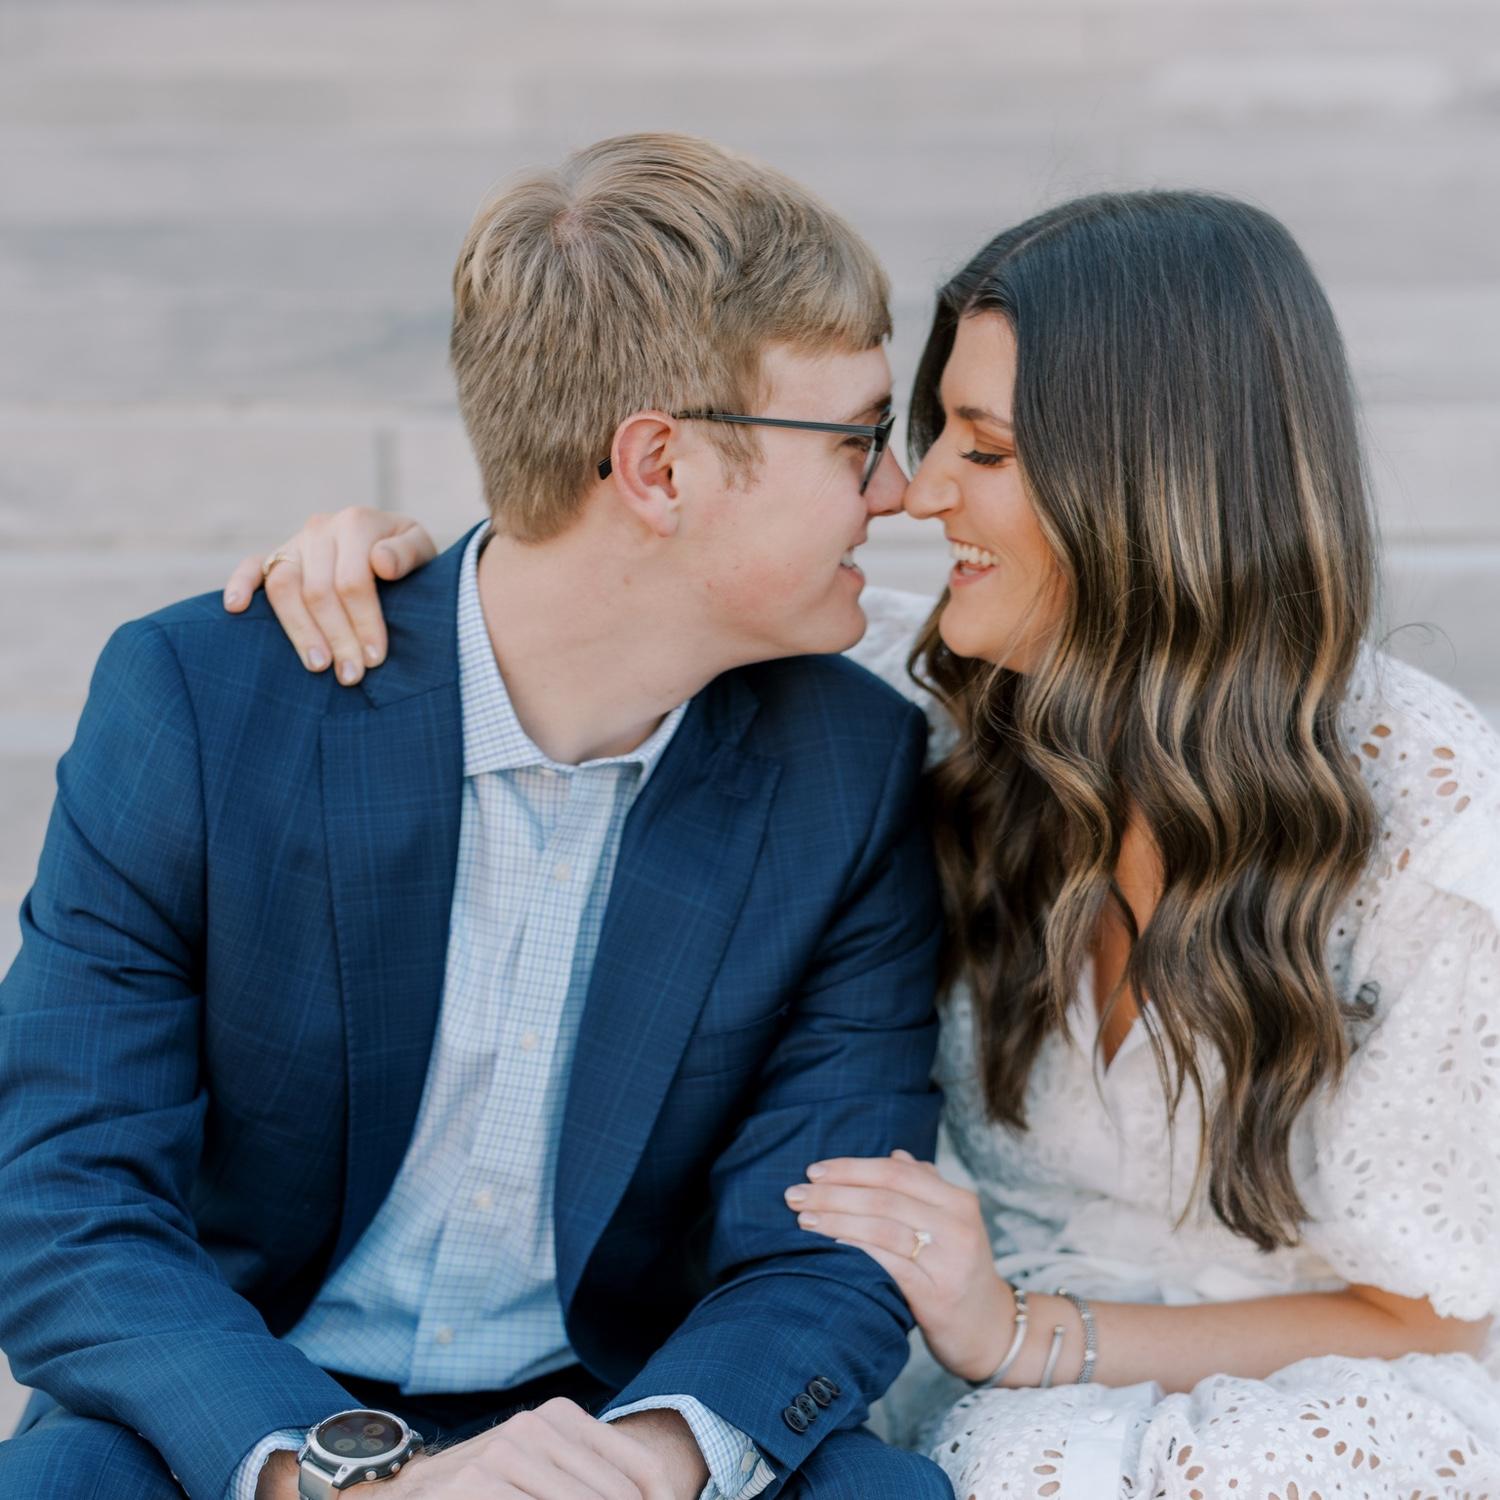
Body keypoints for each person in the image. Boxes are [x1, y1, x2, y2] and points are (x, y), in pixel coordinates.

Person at [249, 190, 1500, 1498]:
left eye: (986, 451)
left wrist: (1023, 1335)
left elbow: (1427, 1315)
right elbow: (624, 600)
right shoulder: (924, 697)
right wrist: (384, 572)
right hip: (957, 1350)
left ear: (1158, 488)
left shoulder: (1423, 816)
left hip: (1294, 1384)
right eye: (926, 433)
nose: (919, 492)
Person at [0, 134, 958, 1500]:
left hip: (620, 1408)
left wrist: (647, 1464)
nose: (897, 489)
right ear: (660, 467)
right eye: (859, 438)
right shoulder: (205, 702)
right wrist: (355, 1484)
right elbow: (63, 1197)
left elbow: (824, 1245)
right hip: (252, 1406)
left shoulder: (849, 769)